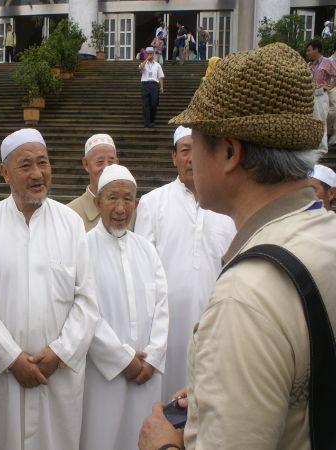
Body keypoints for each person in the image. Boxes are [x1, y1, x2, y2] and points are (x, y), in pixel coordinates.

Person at [139, 42, 335, 450]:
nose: (190, 157)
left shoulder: (246, 296)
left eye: (196, 140)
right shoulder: (325, 233)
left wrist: (163, 446)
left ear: (229, 152)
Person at [0, 128, 99, 450]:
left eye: (43, 162)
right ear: (5, 172)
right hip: (4, 378)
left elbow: (86, 301)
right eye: (25, 165)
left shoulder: (71, 224)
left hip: (58, 377)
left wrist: (61, 353)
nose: (37, 173)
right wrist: (11, 359)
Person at [134, 125, 235, 403]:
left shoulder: (226, 205)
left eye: (196, 150)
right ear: (174, 156)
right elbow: (141, 270)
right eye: (184, 150)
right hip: (165, 328)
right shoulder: (153, 203)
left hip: (215, 323)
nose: (191, 158)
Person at [80, 165, 169, 450]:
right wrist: (121, 359)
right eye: (113, 198)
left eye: (128, 199)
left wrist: (153, 357)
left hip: (146, 373)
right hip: (103, 375)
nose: (121, 208)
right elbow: (85, 312)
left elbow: (162, 306)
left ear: (136, 204)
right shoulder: (83, 249)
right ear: (98, 203)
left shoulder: (147, 250)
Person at [68, 134, 135, 232]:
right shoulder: (70, 213)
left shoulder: (132, 212)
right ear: (86, 164)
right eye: (100, 161)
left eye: (111, 162)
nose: (106, 168)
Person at [307, 40, 336, 154]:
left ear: (316, 50)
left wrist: (330, 87)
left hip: (320, 95)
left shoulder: (327, 62)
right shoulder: (309, 65)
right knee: (311, 121)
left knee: (320, 121)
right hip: (310, 95)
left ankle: (323, 149)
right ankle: (312, 146)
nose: (307, 53)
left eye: (309, 50)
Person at [139, 47, 164, 129]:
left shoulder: (157, 65)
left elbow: (160, 76)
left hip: (154, 85)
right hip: (145, 85)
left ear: (153, 54)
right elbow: (140, 68)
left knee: (153, 104)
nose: (149, 55)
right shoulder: (144, 64)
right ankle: (146, 124)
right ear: (146, 54)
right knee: (145, 104)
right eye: (148, 53)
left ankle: (152, 120)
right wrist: (146, 60)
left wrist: (161, 87)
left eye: (151, 53)